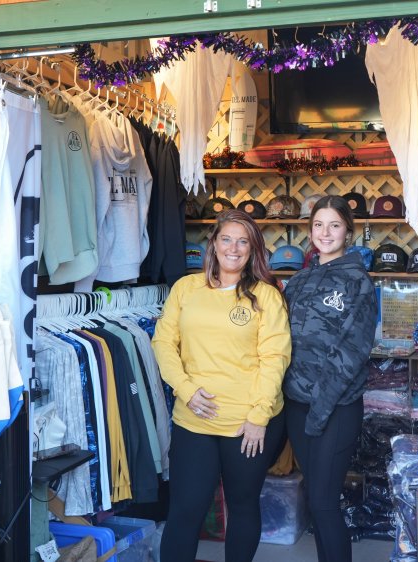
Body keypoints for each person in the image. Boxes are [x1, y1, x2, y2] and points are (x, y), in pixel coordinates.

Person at [152, 208, 291, 562]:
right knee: (185, 511)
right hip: (194, 419)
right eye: (226, 239)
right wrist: (185, 389)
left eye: (243, 241)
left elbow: (274, 359)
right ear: (213, 244)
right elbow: (164, 344)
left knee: (242, 507)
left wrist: (259, 416)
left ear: (253, 249)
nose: (234, 247)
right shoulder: (186, 288)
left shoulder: (266, 296)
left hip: (248, 424)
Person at [283, 195, 378, 562]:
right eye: (319, 225)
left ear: (348, 231)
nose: (326, 232)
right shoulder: (298, 282)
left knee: (324, 502)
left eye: (334, 225)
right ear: (310, 230)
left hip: (335, 409)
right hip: (297, 406)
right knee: (314, 500)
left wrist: (319, 410)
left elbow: (351, 353)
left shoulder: (358, 283)